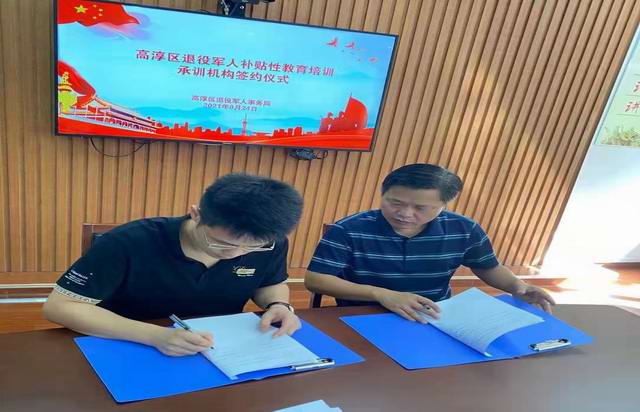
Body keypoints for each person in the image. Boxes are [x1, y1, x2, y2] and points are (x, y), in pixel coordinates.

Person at [44, 173, 304, 356]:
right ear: (196, 214)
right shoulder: (129, 242)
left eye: (251, 247)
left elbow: (271, 283)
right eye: (220, 243)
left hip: (215, 347)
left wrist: (278, 305)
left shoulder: (269, 243)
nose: (234, 254)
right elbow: (60, 307)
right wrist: (155, 336)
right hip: (127, 342)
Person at [305, 163, 555, 322]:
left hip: (433, 316)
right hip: (364, 316)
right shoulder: (350, 229)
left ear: (443, 206)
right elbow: (316, 280)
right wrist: (381, 294)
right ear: (383, 194)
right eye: (395, 202)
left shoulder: (463, 229)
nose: (405, 214)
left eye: (421, 208)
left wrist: (517, 286)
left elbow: (488, 267)